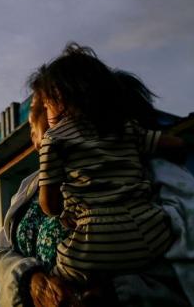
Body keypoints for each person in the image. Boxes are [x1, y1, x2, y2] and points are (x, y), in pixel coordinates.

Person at [0, 45, 194, 306]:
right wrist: (31, 281)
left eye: (42, 106)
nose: (34, 121)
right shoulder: (30, 187)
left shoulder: (154, 174)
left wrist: (116, 294)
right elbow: (4, 252)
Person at [30, 44, 181, 287]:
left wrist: (64, 211)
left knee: (58, 283)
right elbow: (175, 145)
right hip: (152, 233)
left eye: (45, 106)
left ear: (58, 100)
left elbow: (49, 204)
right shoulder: (126, 128)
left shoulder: (55, 140)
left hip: (95, 240)